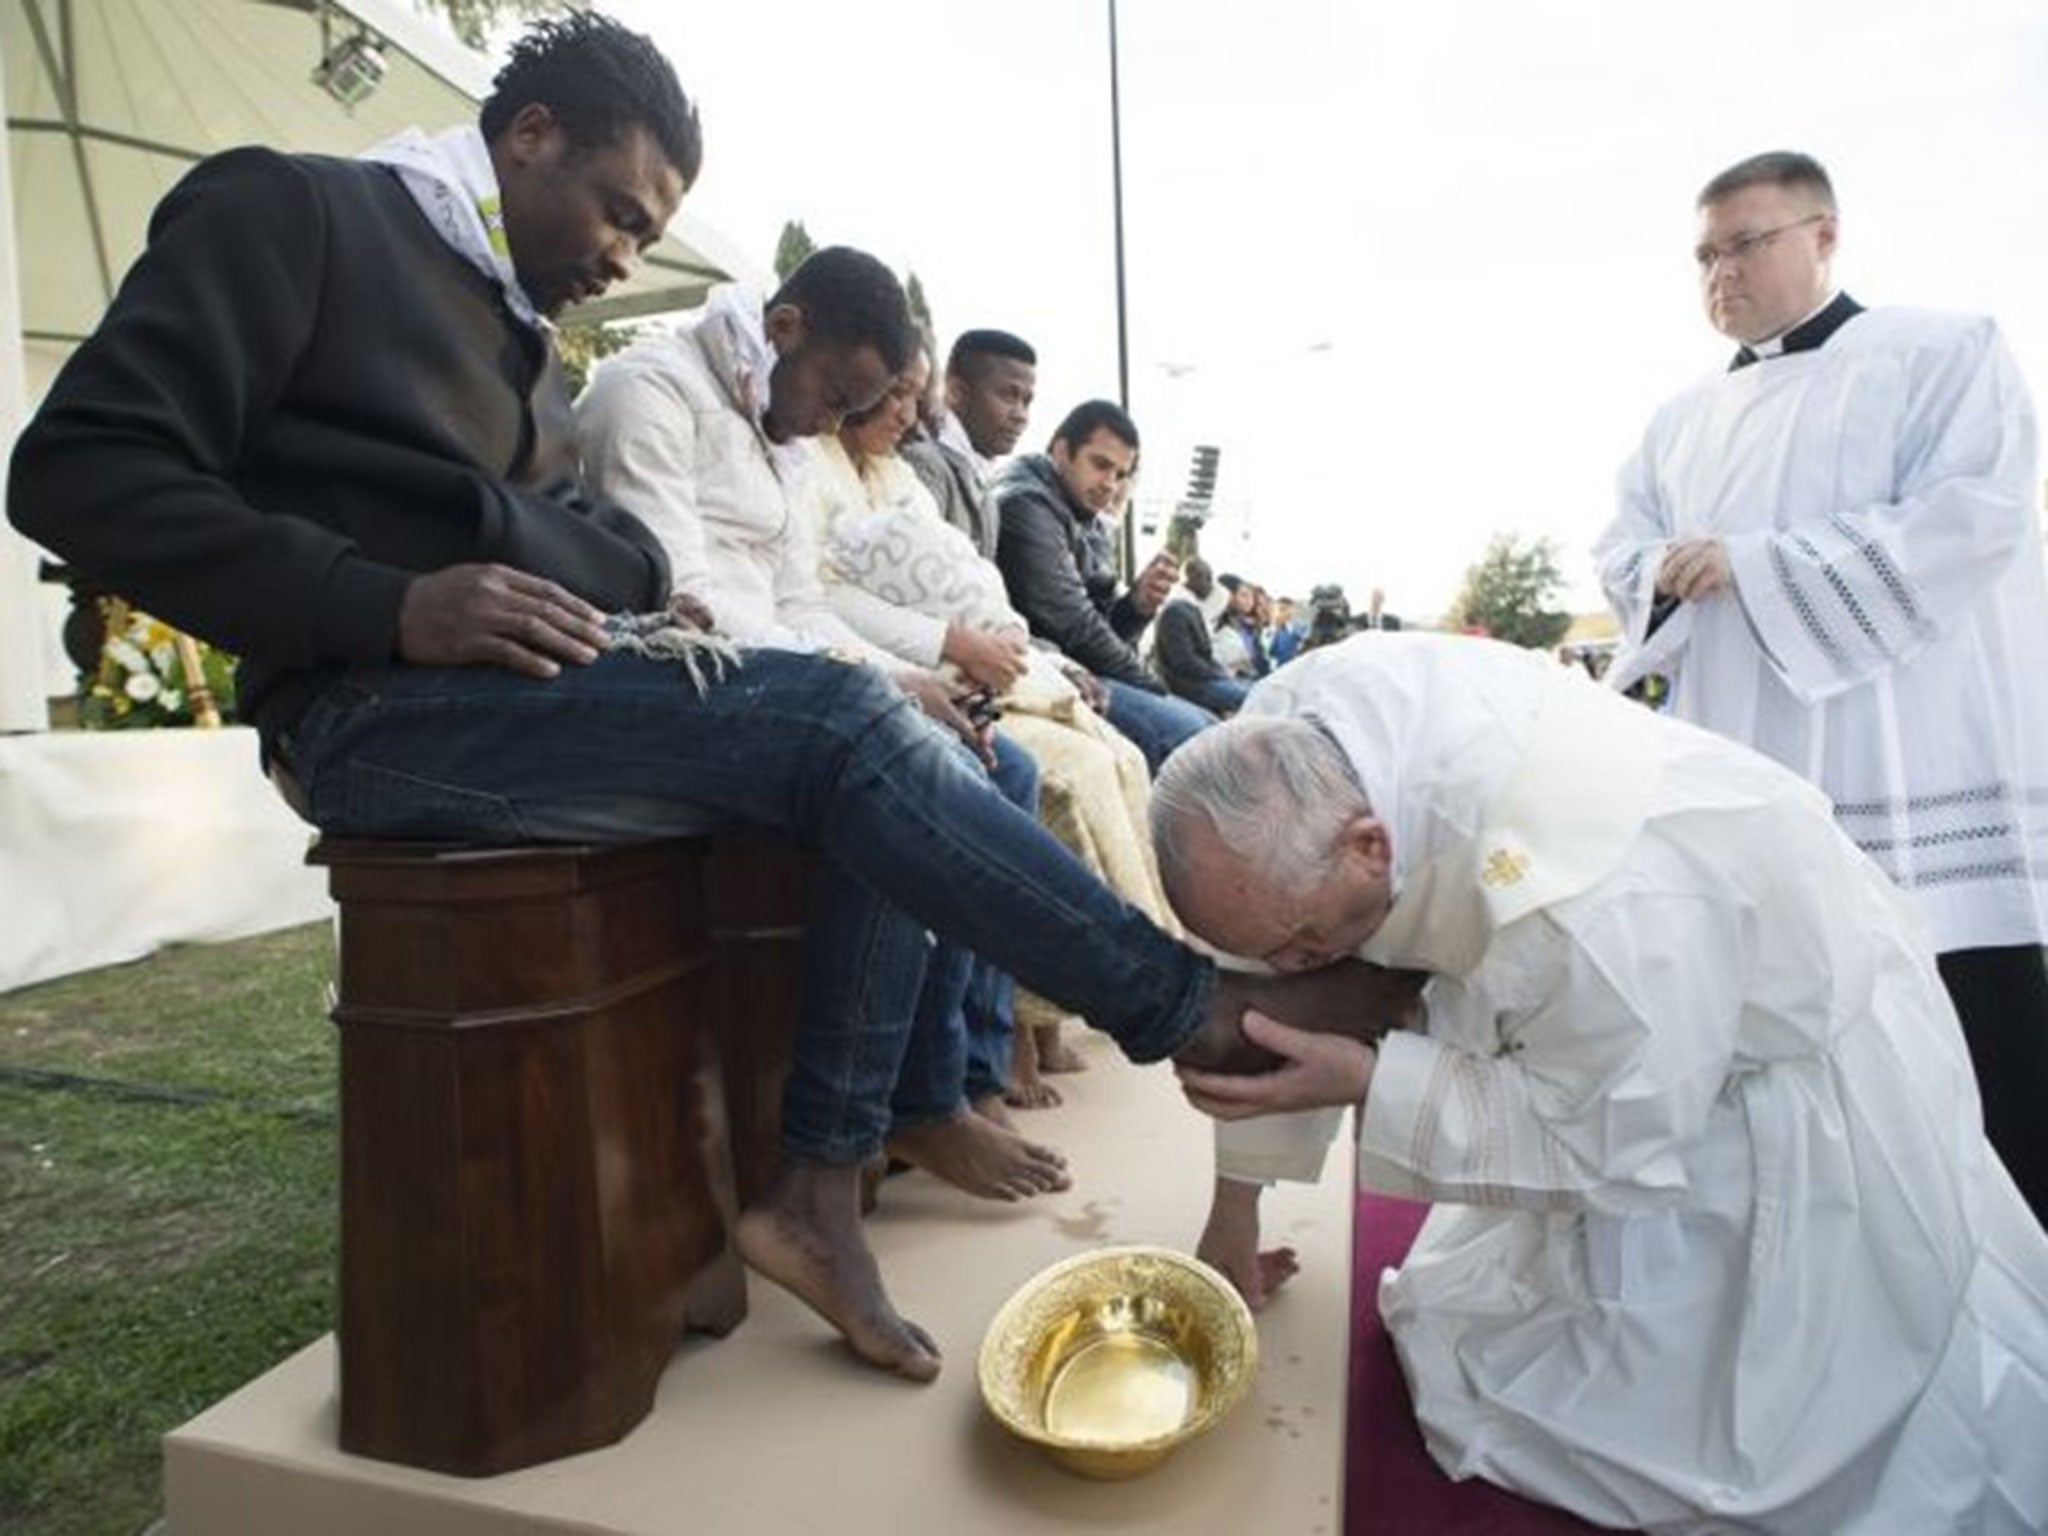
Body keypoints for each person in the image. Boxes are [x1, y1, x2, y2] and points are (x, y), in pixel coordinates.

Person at [5, 12, 1396, 1385]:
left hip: (528, 682)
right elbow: (76, 474)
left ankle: (825, 1182)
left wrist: (611, 592)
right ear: (528, 135)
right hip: (366, 713)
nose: (622, 256)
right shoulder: (292, 210)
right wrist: (392, 601)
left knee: (893, 742)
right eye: (618, 213)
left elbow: (582, 540)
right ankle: (1178, 1015)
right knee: (846, 726)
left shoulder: (517, 333)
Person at [1153, 634, 2048, 1534]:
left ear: (1369, 845)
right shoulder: (1281, 744)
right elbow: (1259, 963)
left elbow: (1605, 1134)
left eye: (1304, 944)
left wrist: (1372, 1081)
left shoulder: (1597, 908)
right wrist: (1236, 1208)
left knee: (1729, 1425)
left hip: (1751, 1059)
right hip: (1615, 1024)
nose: (1287, 968)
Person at [1593, 149, 2048, 1225]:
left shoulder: (1941, 351)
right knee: (1787, 1019)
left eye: (1744, 243)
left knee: (1964, 1004)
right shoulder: (1677, 419)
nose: (1720, 273)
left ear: (1823, 234)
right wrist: (1655, 570)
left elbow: (1972, 518)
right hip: (1750, 748)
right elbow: (1622, 547)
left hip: (1906, 748)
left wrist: (1758, 565)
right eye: (1704, 255)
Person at [572, 249, 1070, 1193]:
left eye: (852, 410)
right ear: (784, 330)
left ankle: (934, 1093)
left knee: (998, 768)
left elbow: (804, 605)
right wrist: (881, 685)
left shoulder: (790, 443)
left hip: (788, 684)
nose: (831, 425)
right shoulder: (649, 394)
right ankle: (889, 1116)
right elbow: (688, 612)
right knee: (909, 777)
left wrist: (903, 678)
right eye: (836, 398)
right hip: (683, 691)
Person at [797, 339, 1175, 1105]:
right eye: (896, 394)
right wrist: (953, 648)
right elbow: (813, 596)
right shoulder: (815, 463)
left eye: (914, 396)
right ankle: (991, 1058)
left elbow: (987, 594)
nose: (908, 413)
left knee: (1116, 754)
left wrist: (1019, 647)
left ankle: (1048, 1025)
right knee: (1039, 770)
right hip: (899, 673)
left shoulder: (904, 470)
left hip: (977, 667)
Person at [991, 399, 1213, 771]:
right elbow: (1075, 627)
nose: (1111, 485)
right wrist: (1153, 686)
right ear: (1061, 451)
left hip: (1079, 669)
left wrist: (1136, 606)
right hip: (1039, 672)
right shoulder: (1027, 505)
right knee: (1195, 739)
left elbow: (1098, 626)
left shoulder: (1081, 511)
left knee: (1208, 727)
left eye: (1121, 474)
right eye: (1101, 465)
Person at [899, 327, 1036, 559]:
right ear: (955, 392)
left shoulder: (986, 488)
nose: (1021, 415)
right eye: (1009, 396)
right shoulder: (923, 464)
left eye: (1027, 401)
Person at [1151, 556, 1250, 715]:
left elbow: (1205, 655)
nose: (1211, 584)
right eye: (1206, 577)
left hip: (1203, 680)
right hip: (1189, 686)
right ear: (1190, 579)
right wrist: (1218, 674)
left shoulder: (1192, 608)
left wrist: (1219, 674)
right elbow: (1184, 663)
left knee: (1254, 689)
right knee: (1250, 697)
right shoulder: (1175, 611)